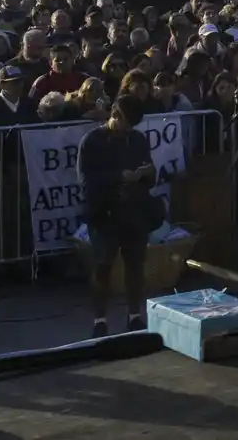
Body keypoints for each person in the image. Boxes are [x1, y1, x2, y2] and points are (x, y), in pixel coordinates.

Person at [77, 95, 161, 337]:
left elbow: (151, 175)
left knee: (135, 265)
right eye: (122, 121)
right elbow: (86, 181)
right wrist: (119, 176)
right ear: (114, 114)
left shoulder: (137, 139)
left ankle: (134, 315)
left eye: (130, 125)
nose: (125, 128)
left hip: (134, 210)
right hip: (104, 212)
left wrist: (146, 173)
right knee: (103, 266)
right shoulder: (92, 141)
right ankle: (99, 320)